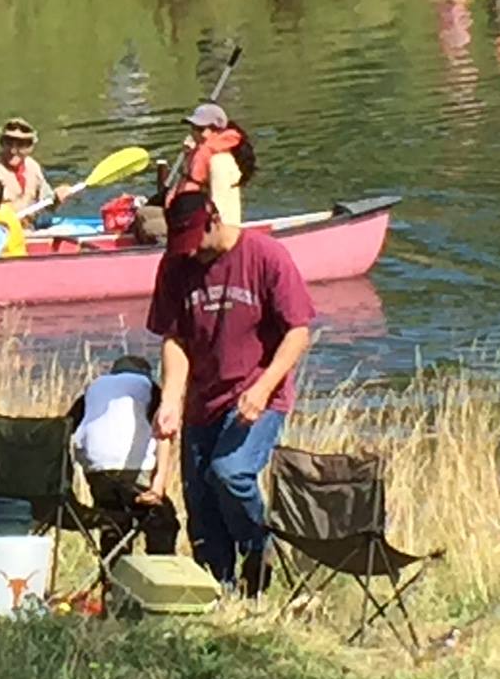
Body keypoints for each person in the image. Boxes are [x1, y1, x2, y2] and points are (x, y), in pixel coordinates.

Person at [150, 192, 315, 595]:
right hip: (202, 399)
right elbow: (176, 339)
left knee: (231, 472)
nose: (192, 254)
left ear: (214, 220)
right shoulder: (176, 265)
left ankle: (261, 548)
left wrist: (263, 388)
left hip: (258, 393)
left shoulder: (265, 255)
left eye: (196, 243)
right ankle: (219, 591)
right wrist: (171, 399)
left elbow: (298, 331)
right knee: (200, 502)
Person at [68, 356, 180, 556]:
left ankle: (113, 575)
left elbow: (65, 427)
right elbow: (163, 429)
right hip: (134, 472)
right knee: (163, 520)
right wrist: (159, 481)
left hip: (97, 473)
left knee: (114, 521)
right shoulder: (149, 387)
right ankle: (158, 573)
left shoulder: (94, 388)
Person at [162, 103, 254, 236]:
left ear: (215, 130)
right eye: (193, 128)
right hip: (183, 212)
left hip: (201, 225)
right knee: (145, 215)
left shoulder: (219, 161)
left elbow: (218, 204)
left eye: (199, 128)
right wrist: (188, 156)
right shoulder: (198, 152)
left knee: (148, 225)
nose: (193, 132)